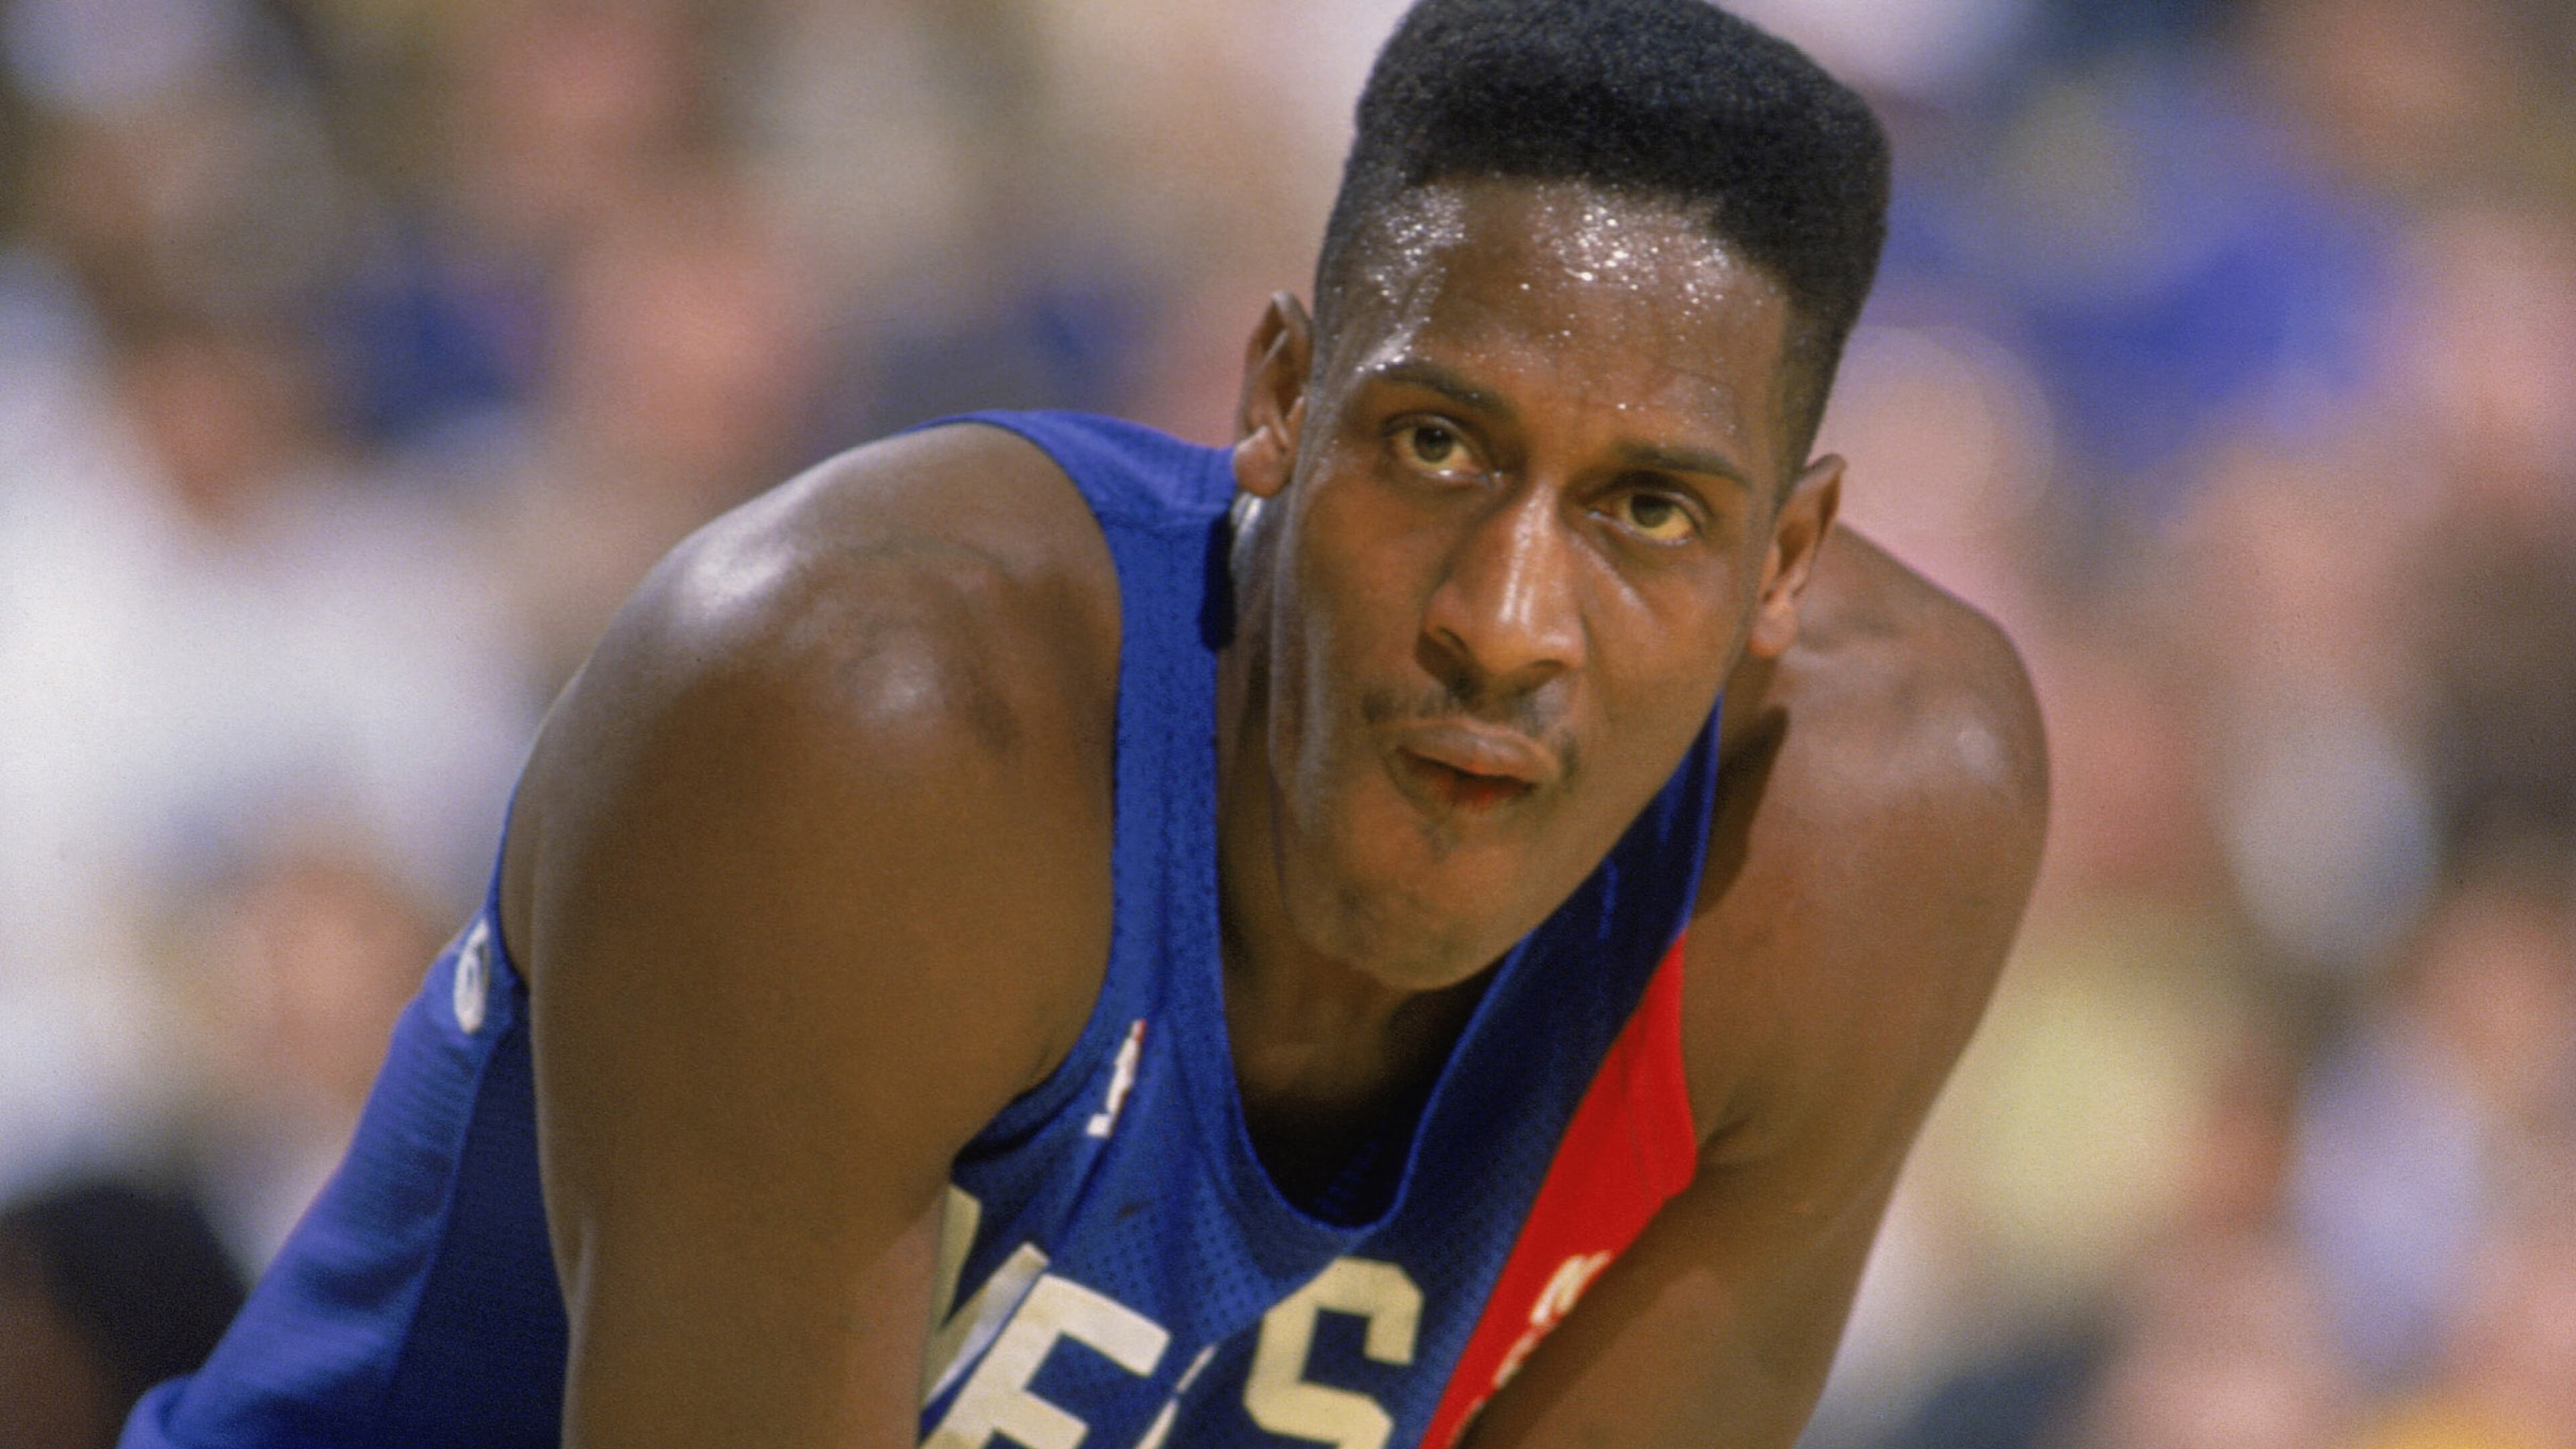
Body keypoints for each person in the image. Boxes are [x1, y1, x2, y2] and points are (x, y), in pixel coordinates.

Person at [121, 1, 2046, 1446]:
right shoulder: (873, 723)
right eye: (1436, 444)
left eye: (1650, 512)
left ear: (1787, 557)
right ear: (1277, 399)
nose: (1507, 620)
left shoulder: (1866, 834)